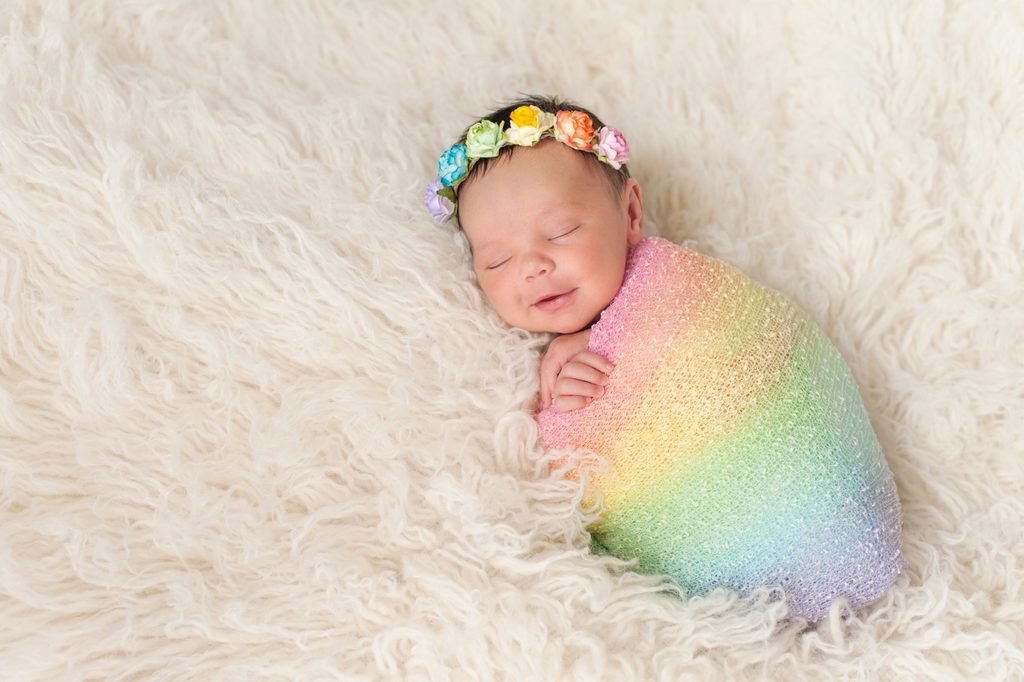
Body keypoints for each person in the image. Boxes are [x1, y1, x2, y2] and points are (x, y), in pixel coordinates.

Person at [423, 95, 642, 414]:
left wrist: (604, 338)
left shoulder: (667, 273)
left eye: (561, 231)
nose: (532, 267)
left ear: (631, 213)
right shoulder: (515, 371)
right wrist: (569, 406)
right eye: (498, 260)